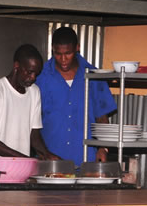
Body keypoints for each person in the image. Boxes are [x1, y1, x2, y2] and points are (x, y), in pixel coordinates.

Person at [35, 26, 117, 166]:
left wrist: (103, 148)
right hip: (49, 163)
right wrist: (42, 152)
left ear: (77, 48)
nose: (63, 59)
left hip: (87, 161)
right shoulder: (40, 77)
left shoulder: (94, 76)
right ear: (52, 49)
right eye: (58, 53)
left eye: (68, 53)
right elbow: (31, 122)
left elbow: (102, 117)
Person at [0, 44, 58, 159]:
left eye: (36, 74)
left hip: (20, 167)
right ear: (16, 66)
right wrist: (20, 158)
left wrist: (47, 155)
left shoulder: (34, 92)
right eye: (29, 72)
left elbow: (34, 135)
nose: (33, 78)